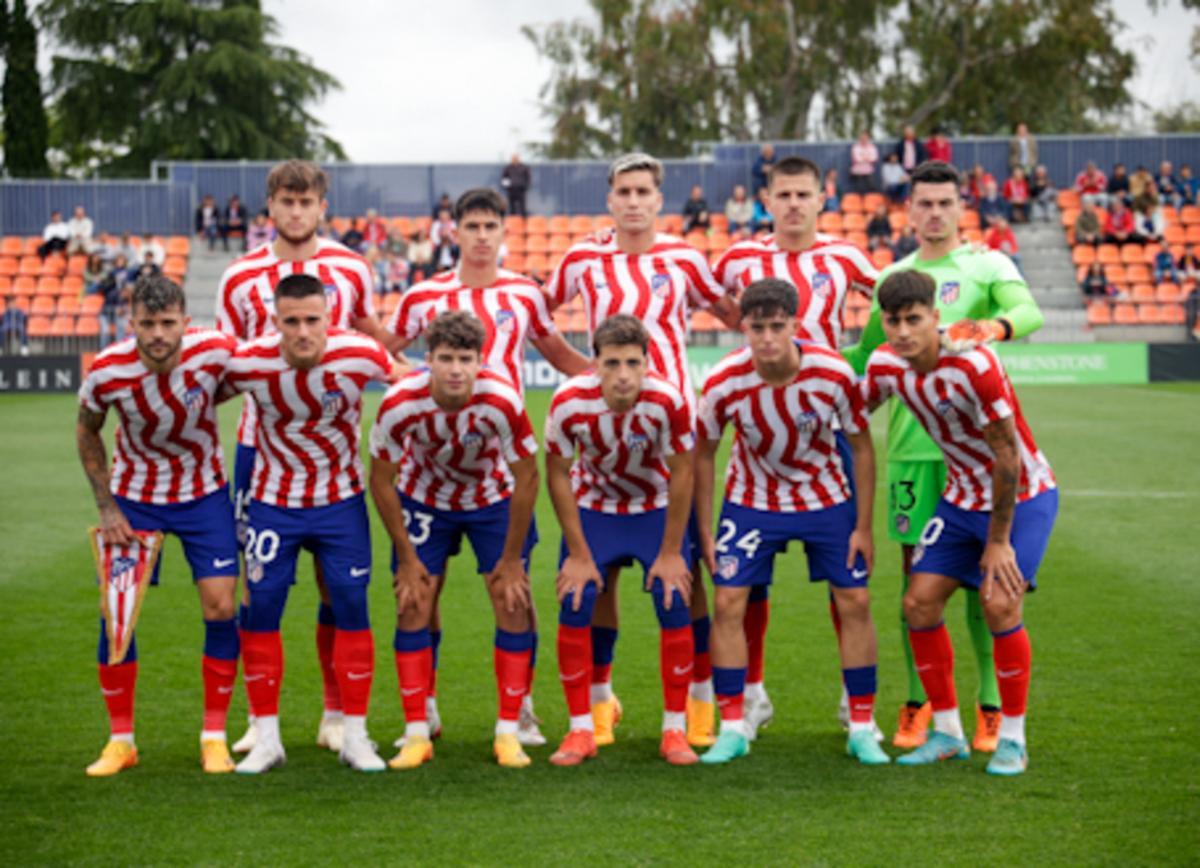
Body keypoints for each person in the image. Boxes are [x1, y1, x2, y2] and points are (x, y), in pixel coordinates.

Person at [842, 159, 1044, 754]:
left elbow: (1028, 314)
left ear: (961, 208)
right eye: (923, 203)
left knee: (990, 582)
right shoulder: (896, 278)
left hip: (981, 451)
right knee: (917, 583)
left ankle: (989, 708)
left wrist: (987, 329)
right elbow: (867, 357)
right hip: (912, 451)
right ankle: (920, 706)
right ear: (910, 211)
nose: (934, 213)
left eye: (944, 203)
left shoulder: (986, 262)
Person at [546, 151, 741, 749]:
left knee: (691, 567)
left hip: (676, 432)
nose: (633, 201)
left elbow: (733, 312)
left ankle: (701, 700)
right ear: (610, 200)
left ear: (660, 200)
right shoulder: (582, 257)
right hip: (604, 438)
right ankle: (600, 706)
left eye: (643, 192)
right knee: (595, 582)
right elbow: (536, 317)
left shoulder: (684, 257)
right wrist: (590, 374)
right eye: (623, 191)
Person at [385, 187, 590, 747]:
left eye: (490, 226)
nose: (480, 236)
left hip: (503, 472)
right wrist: (403, 373)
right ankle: (422, 705)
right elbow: (386, 345)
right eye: (470, 226)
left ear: (504, 231)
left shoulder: (524, 294)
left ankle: (520, 709)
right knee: (424, 590)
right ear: (454, 232)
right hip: (427, 471)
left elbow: (560, 357)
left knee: (513, 590)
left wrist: (608, 381)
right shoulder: (425, 295)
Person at [215, 159, 400, 759]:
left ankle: (337, 713)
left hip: (334, 448)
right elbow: (225, 357)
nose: (296, 212)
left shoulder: (348, 266)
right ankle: (258, 718)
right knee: (259, 586)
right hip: (259, 447)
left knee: (335, 585)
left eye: (307, 201)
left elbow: (372, 334)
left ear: (323, 206)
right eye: (285, 201)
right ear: (269, 207)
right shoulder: (241, 276)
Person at [862, 268, 1058, 776]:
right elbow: (853, 409)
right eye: (893, 321)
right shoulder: (886, 364)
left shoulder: (975, 365)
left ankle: (1012, 739)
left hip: (1024, 496)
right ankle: (947, 733)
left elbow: (1008, 457)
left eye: (914, 320)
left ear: (935, 317)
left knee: (998, 601)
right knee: (918, 603)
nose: (903, 332)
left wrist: (998, 542)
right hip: (957, 499)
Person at [713, 154, 879, 737]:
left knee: (847, 578)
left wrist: (864, 365)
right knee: (746, 581)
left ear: (821, 198)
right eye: (782, 195)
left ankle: (850, 698)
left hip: (824, 429)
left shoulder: (845, 256)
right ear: (768, 199)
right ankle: (751, 693)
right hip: (759, 434)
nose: (793, 204)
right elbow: (714, 303)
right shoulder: (738, 258)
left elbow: (888, 305)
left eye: (803, 195)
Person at [694, 278, 885, 767]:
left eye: (777, 327)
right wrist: (705, 532)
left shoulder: (834, 374)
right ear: (744, 328)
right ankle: (733, 724)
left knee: (855, 599)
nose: (767, 339)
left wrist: (863, 526)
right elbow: (703, 455)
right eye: (757, 328)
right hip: (752, 498)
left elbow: (862, 448)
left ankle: (862, 725)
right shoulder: (723, 382)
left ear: (795, 326)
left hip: (825, 496)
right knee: (729, 599)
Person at [76, 275, 241, 776]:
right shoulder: (106, 371)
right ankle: (121, 741)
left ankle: (214, 737)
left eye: (168, 323)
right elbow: (87, 429)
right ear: (132, 324)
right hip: (134, 500)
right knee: (117, 618)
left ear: (185, 323)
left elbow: (260, 371)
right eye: (147, 324)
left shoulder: (214, 352)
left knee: (221, 605)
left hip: (203, 495)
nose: (158, 335)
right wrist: (107, 506)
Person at [369, 310, 540, 770]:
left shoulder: (502, 400)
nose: (455, 369)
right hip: (424, 500)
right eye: (445, 358)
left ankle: (508, 731)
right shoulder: (400, 403)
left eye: (465, 358)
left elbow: (527, 477)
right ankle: (416, 732)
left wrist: (511, 558)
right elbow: (381, 480)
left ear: (481, 360)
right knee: (413, 601)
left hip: (491, 499)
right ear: (429, 359)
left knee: (511, 599)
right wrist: (406, 557)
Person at [544, 315, 700, 767]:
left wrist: (671, 552)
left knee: (674, 598)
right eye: (612, 363)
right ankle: (581, 729)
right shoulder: (569, 402)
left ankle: (674, 728)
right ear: (595, 363)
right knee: (576, 599)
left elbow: (684, 470)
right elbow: (557, 472)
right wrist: (576, 552)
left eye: (633, 362)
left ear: (648, 362)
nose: (624, 374)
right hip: (595, 508)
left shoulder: (667, 400)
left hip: (653, 507)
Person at [98, 256, 133, 349]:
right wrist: (116, 310)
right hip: (104, 316)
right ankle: (103, 350)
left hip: (115, 317)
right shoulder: (112, 294)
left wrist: (122, 311)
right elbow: (107, 308)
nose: (128, 293)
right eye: (127, 291)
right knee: (105, 331)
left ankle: (120, 349)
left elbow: (124, 311)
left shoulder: (126, 298)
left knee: (121, 326)